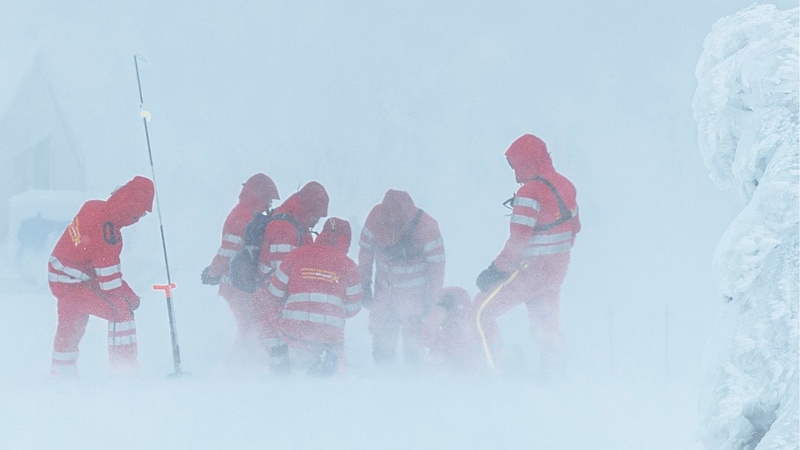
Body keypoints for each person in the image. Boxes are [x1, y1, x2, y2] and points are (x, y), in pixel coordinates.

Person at [473, 133, 580, 379]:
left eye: (515, 165)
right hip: (557, 271)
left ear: (526, 161)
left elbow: (518, 241)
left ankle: (494, 370)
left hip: (532, 270)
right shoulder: (566, 186)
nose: (514, 173)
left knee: (480, 312)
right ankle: (554, 373)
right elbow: (575, 228)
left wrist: (496, 271)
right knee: (546, 325)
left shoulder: (529, 193)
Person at [47, 175, 155, 376]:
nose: (137, 220)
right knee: (121, 310)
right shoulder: (108, 234)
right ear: (131, 210)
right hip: (72, 282)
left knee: (71, 326)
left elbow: (87, 257)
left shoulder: (93, 207)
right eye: (139, 215)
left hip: (61, 276)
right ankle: (125, 372)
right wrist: (131, 298)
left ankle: (61, 377)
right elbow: (110, 285)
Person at [358, 189, 445, 369]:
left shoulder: (427, 227)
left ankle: (411, 384)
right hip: (384, 296)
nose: (391, 225)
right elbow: (365, 252)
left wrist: (431, 299)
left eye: (396, 223)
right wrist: (364, 286)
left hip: (414, 299)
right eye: (387, 220)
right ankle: (383, 379)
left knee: (413, 348)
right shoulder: (375, 217)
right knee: (382, 346)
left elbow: (437, 267)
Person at [265, 218, 362, 376]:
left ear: (321, 235)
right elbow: (353, 309)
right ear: (347, 241)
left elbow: (275, 292)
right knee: (329, 377)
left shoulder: (295, 255)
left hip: (292, 333)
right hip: (328, 339)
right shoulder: (349, 266)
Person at [201, 173, 280, 361]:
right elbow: (228, 250)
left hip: (239, 283)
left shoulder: (243, 213)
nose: (269, 205)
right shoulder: (244, 216)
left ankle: (244, 364)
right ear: (259, 196)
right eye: (268, 200)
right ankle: (238, 366)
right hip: (237, 284)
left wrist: (213, 272)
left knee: (250, 327)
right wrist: (213, 272)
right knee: (249, 327)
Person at [256, 181, 329, 371]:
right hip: (273, 299)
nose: (317, 222)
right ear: (308, 208)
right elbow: (282, 273)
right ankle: (280, 389)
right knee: (279, 356)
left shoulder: (297, 224)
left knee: (285, 351)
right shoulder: (284, 229)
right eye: (316, 216)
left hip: (278, 300)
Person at [421, 286, 477, 373]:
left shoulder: (465, 321)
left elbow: (469, 342)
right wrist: (434, 322)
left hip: (461, 362)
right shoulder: (435, 317)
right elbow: (426, 340)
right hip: (443, 362)